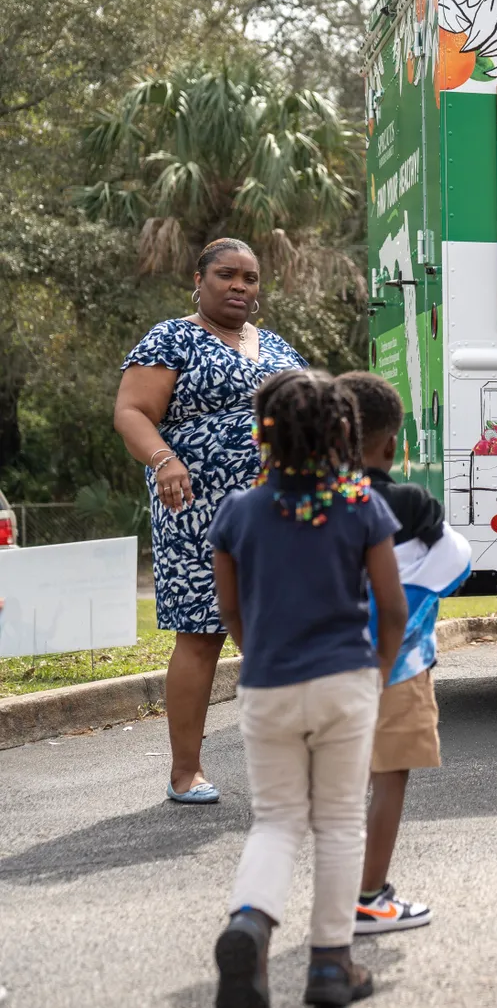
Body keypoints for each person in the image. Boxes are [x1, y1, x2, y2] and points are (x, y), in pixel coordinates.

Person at [209, 368, 408, 1008]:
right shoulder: (359, 504)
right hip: (344, 681)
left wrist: (257, 653)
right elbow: (393, 606)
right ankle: (329, 966)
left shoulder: (238, 510)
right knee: (340, 822)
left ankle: (249, 922)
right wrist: (376, 671)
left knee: (276, 821)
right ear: (343, 433)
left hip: (267, 684)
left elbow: (231, 607)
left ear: (264, 433)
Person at [114, 238, 308, 804]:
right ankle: (186, 772)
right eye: (227, 275)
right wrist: (165, 459)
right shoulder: (172, 338)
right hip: (197, 508)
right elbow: (131, 411)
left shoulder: (275, 346)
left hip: (280, 510)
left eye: (250, 278)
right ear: (198, 281)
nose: (240, 286)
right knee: (201, 633)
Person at [338, 372, 472, 936]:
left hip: (320, 671)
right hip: (400, 669)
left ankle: (334, 897)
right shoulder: (412, 508)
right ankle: (369, 897)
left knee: (335, 788)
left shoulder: (311, 507)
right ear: (392, 445)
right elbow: (457, 565)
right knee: (387, 778)